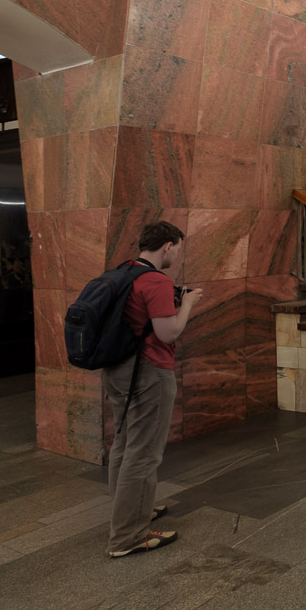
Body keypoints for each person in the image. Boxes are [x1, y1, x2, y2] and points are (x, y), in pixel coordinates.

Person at [104, 221, 203, 558]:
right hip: (148, 372)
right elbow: (168, 332)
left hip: (117, 370)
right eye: (178, 248)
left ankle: (128, 512)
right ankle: (128, 536)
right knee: (144, 453)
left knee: (124, 443)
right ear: (167, 246)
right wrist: (187, 303)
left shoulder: (123, 273)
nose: (177, 255)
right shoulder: (156, 280)